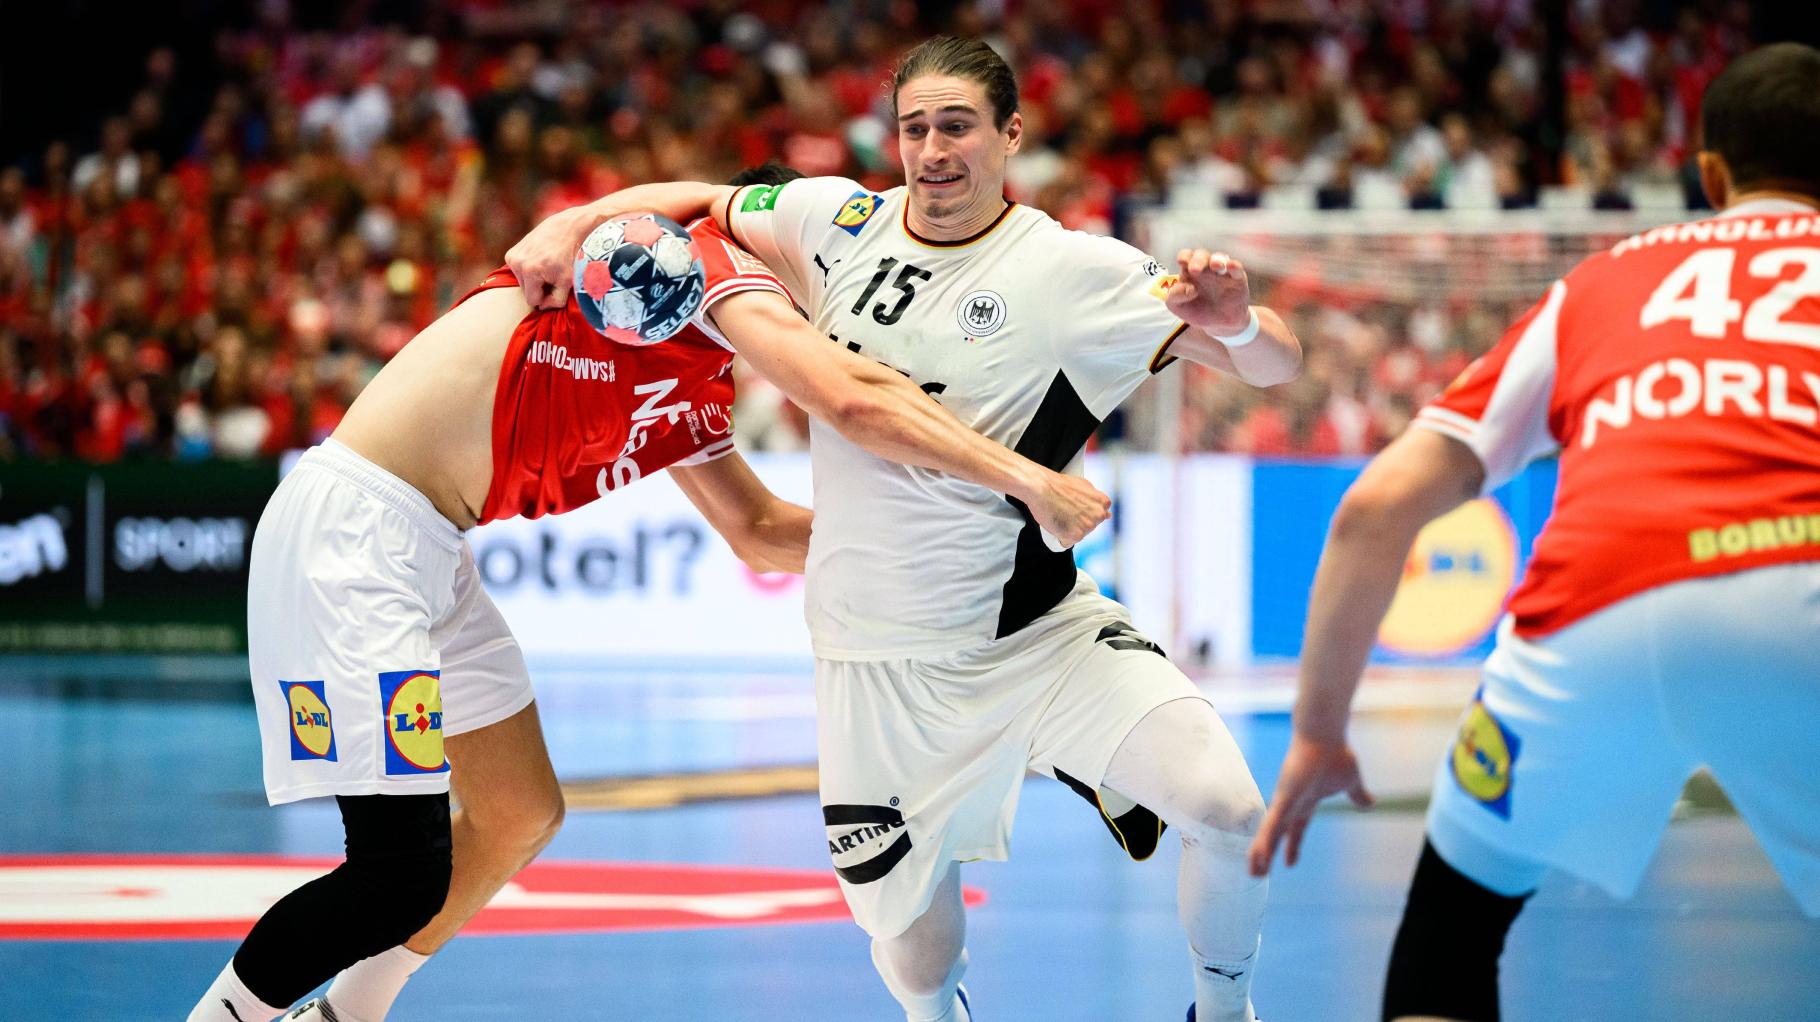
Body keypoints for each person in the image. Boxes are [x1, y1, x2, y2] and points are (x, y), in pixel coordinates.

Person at [188, 162, 1112, 1022]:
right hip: (357, 534)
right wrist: (1018, 483)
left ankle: (347, 1013)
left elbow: (759, 528)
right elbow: (837, 380)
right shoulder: (672, 263)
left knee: (519, 812)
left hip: (432, 550)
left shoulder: (697, 375)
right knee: (395, 875)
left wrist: (935, 549)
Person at [506, 37, 1302, 1022]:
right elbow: (699, 199)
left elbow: (1274, 366)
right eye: (914, 127)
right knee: (918, 958)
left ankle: (1223, 1011)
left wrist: (1236, 322)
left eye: (957, 126)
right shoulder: (835, 219)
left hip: (1032, 637)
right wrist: (569, 224)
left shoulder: (1072, 270)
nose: (932, 149)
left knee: (1227, 808)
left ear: (1011, 135)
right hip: (875, 666)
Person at [1248, 42, 1820, 1022]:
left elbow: (1374, 508)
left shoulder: (1604, 282)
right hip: (1798, 583)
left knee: (1449, 936)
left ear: (1711, 175)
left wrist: (1315, 733)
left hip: (1595, 602)